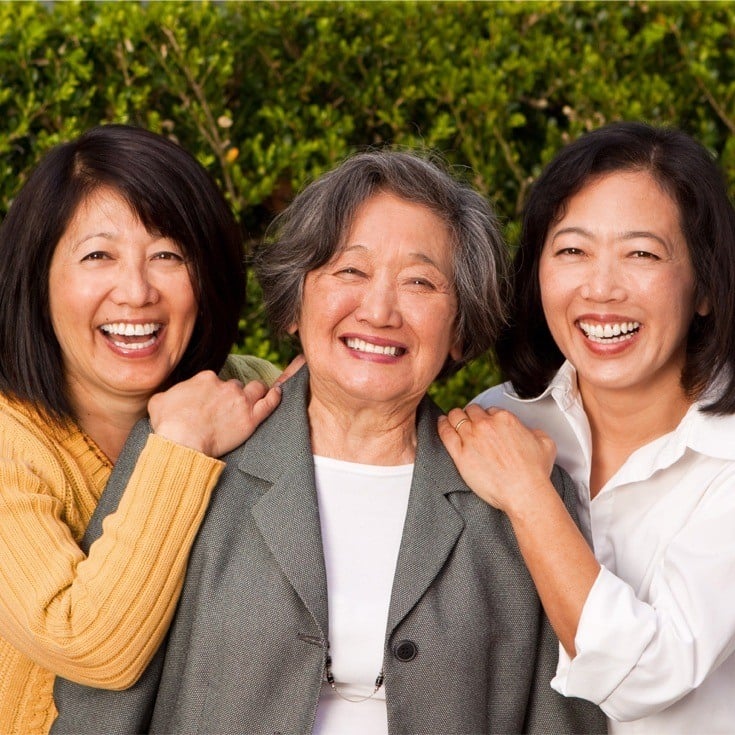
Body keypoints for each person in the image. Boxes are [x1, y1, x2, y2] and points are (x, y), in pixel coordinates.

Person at [51, 149, 604, 734]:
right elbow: (98, 704)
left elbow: (562, 718)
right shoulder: (186, 455)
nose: (379, 309)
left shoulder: (515, 489)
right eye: (350, 271)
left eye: (420, 281)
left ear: (460, 328)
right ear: (296, 301)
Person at [439, 121, 735, 733]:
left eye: (642, 254)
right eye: (572, 250)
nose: (601, 288)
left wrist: (529, 496)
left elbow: (649, 672)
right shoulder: (503, 417)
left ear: (705, 285)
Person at [0, 124, 285, 735]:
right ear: (39, 277)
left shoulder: (247, 390)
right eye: (98, 255)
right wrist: (180, 444)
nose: (135, 292)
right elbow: (90, 646)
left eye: (168, 255)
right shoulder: (9, 443)